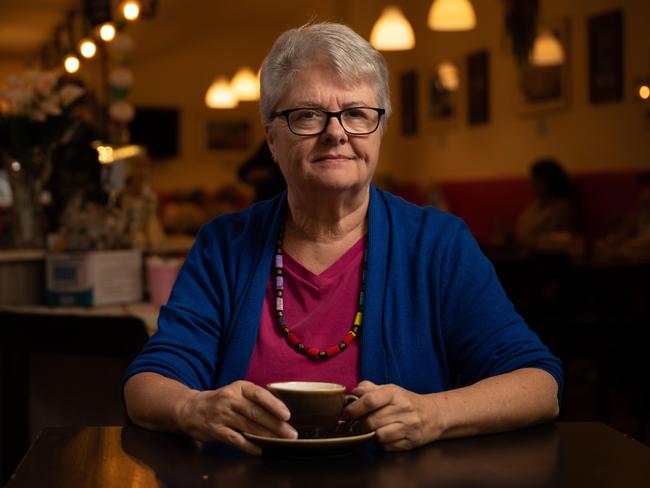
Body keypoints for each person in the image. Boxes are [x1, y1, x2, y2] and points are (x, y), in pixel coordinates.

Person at [123, 22, 562, 455]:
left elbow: (539, 386)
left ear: (380, 130)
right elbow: (146, 384)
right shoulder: (224, 245)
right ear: (271, 139)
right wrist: (193, 407)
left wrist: (434, 414)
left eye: (356, 113)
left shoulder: (437, 243)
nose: (336, 132)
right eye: (308, 114)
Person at [515, 159, 581, 254]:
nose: (532, 184)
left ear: (550, 181)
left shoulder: (563, 208)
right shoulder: (535, 205)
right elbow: (522, 231)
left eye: (537, 180)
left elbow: (554, 241)